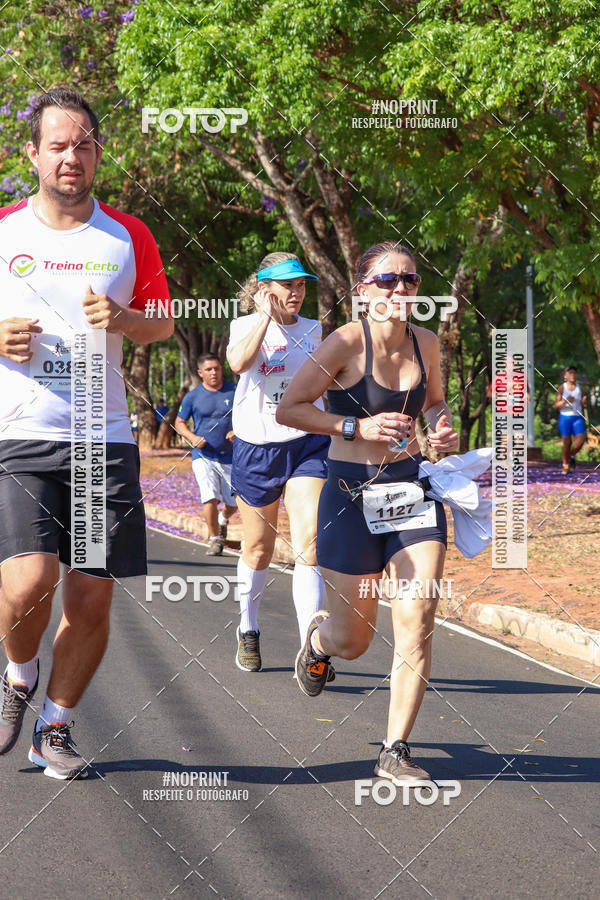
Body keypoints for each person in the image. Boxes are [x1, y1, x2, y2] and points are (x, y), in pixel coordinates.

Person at [0, 88, 173, 779]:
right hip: (20, 435)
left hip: (101, 440)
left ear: (99, 152)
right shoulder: (4, 231)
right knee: (26, 586)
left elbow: (161, 322)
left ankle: (57, 726)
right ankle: (18, 673)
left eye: (85, 144)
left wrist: (125, 319)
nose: (73, 157)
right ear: (32, 154)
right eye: (59, 145)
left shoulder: (127, 235)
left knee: (92, 593)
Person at [277, 240, 458, 785]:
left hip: (409, 492)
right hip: (350, 496)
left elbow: (435, 401)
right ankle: (317, 643)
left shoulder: (426, 342)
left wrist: (441, 429)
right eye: (386, 280)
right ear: (362, 292)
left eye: (409, 279)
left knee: (418, 613)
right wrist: (356, 426)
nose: (399, 288)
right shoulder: (344, 344)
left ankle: (395, 750)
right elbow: (291, 408)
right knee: (353, 641)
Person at [226, 252, 331, 673]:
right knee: (258, 549)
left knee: (311, 544)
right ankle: (247, 628)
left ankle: (311, 647)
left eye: (302, 285)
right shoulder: (244, 326)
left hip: (306, 443)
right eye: (288, 285)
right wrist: (265, 320)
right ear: (265, 289)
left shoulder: (314, 329)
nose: (297, 293)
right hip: (257, 447)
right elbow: (238, 363)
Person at [175, 353, 237, 556]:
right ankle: (215, 538)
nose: (213, 372)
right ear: (200, 373)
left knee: (232, 504)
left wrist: (238, 431)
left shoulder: (234, 390)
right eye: (209, 369)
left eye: (217, 368)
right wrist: (192, 438)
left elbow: (247, 414)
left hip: (230, 456)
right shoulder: (192, 396)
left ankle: (223, 520)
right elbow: (179, 423)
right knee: (209, 496)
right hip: (203, 455)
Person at [554, 365, 587, 474]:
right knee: (567, 443)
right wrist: (565, 401)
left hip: (577, 417)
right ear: (565, 376)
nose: (573, 375)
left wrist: (583, 402)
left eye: (574, 373)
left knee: (580, 441)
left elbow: (582, 403)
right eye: (570, 373)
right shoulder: (562, 388)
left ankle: (572, 455)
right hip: (565, 417)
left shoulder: (580, 387)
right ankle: (565, 465)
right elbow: (556, 405)